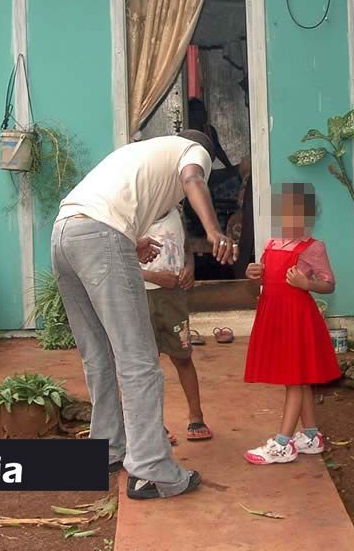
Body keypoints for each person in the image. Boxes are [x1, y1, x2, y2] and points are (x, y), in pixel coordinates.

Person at [52, 130, 234, 501]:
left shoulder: (141, 153)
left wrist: (132, 242)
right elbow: (194, 177)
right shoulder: (191, 151)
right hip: (99, 236)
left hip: (63, 235)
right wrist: (215, 231)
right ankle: (150, 468)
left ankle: (107, 449)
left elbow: (104, 207)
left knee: (98, 354)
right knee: (139, 361)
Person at [242, 182, 341, 465]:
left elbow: (329, 285)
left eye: (297, 215)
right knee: (298, 377)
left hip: (297, 317)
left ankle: (284, 443)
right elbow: (265, 280)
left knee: (294, 379)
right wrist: (255, 274)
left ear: (308, 217)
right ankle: (310, 435)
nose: (290, 220)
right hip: (274, 317)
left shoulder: (313, 248)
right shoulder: (271, 244)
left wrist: (305, 283)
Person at [139, 205, 212, 443]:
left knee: (182, 356)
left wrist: (190, 267)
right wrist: (152, 277)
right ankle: (153, 425)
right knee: (146, 364)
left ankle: (196, 415)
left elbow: (186, 248)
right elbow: (119, 259)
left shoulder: (176, 212)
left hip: (174, 298)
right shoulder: (134, 215)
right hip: (141, 297)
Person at [186, 97, 234, 169]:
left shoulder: (209, 130)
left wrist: (230, 167)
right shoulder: (187, 132)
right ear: (192, 114)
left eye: (204, 111)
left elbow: (219, 151)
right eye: (200, 111)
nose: (205, 113)